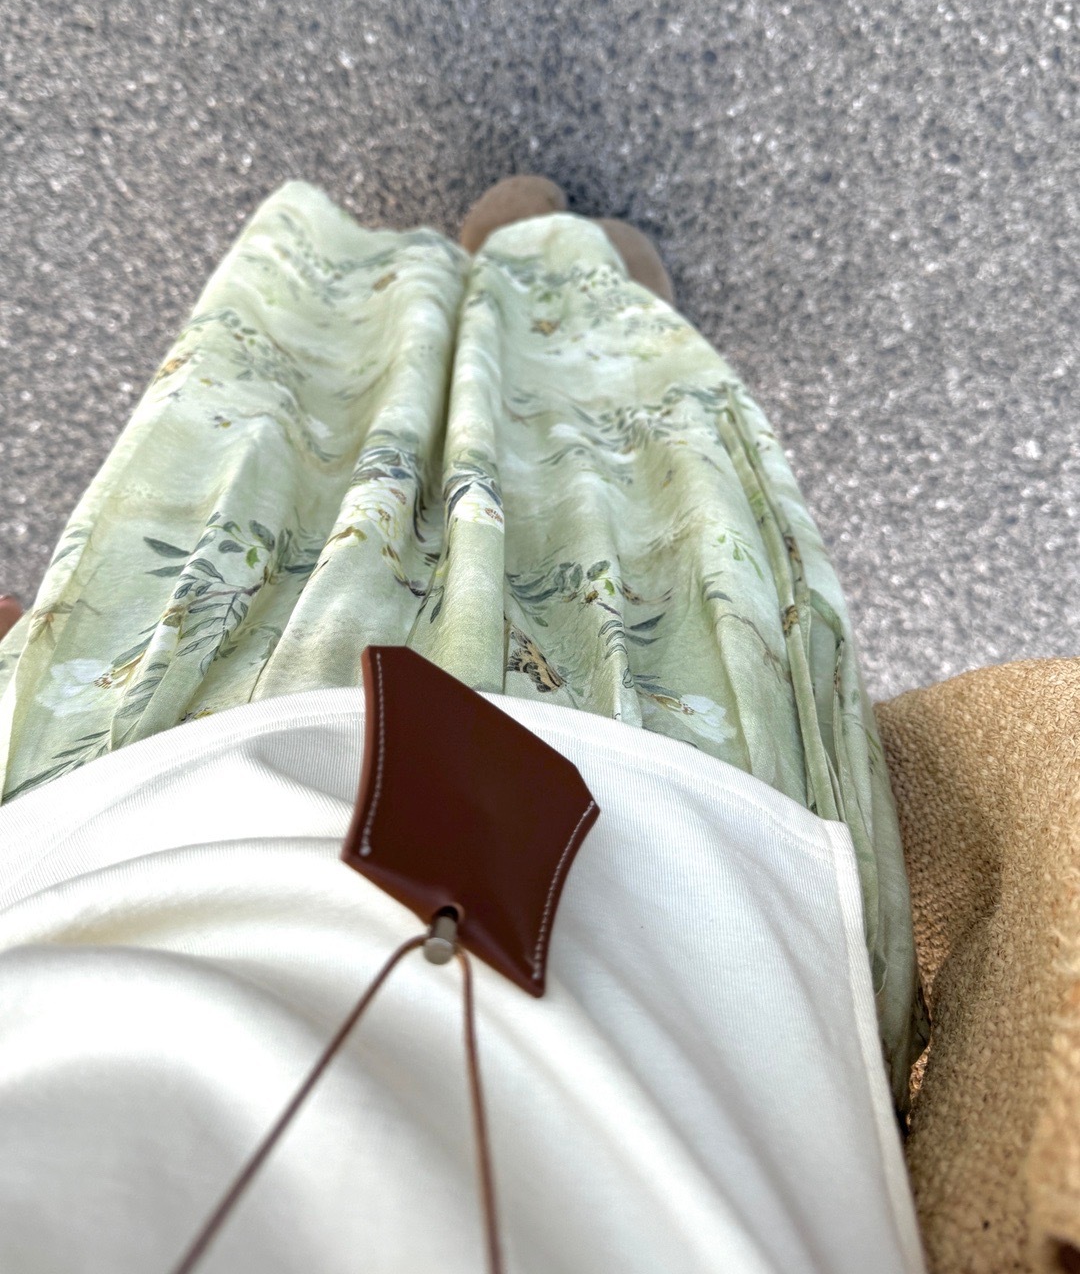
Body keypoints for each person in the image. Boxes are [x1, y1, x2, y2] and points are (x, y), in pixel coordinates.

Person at [0, 176, 928, 1272]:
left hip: (114, 836)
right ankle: (563, 284)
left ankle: (478, 290)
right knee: (608, 504)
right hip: (687, 946)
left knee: (297, 458)